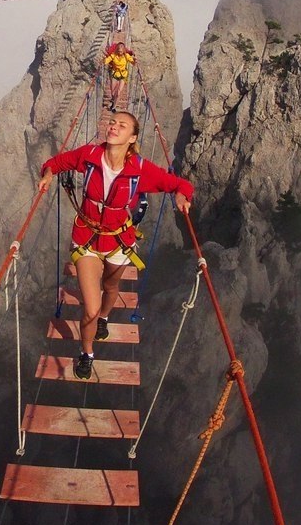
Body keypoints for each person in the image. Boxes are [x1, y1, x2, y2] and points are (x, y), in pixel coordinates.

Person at [37, 111, 193, 380]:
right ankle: (87, 352)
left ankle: (105, 319)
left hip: (119, 240)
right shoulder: (88, 156)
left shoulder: (140, 170)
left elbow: (180, 183)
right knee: (91, 309)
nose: (113, 127)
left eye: (122, 125)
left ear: (132, 138)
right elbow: (57, 162)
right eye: (112, 122)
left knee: (111, 287)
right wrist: (49, 174)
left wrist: (182, 195)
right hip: (86, 238)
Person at [103, 41, 135, 110]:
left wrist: (134, 60)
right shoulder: (113, 55)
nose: (120, 52)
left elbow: (133, 62)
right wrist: (104, 59)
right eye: (119, 50)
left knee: (118, 92)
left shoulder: (126, 56)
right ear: (117, 50)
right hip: (115, 73)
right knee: (113, 92)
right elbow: (106, 61)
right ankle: (113, 99)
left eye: (121, 50)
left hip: (123, 75)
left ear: (123, 50)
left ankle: (114, 107)